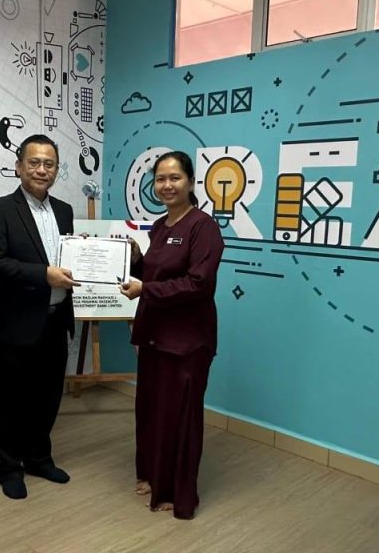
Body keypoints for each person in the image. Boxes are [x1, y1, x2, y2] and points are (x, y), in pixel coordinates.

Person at [119, 150, 223, 520]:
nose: (166, 185)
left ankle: (178, 494)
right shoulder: (161, 226)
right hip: (154, 336)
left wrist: (145, 289)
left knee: (180, 418)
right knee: (152, 411)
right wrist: (134, 258)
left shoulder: (203, 227)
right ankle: (153, 476)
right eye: (160, 179)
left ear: (191, 182)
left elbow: (198, 283)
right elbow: (155, 273)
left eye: (175, 178)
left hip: (187, 341)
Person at [0, 134, 77, 500]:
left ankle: (38, 458)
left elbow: (69, 258)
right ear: (19, 166)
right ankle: (9, 467)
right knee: (13, 400)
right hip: (16, 322)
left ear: (56, 169)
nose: (41, 170)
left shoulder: (64, 210)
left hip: (56, 319)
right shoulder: (0, 209)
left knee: (48, 396)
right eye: (34, 162)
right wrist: (43, 274)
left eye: (49, 164)